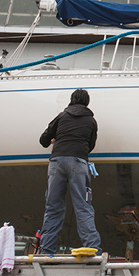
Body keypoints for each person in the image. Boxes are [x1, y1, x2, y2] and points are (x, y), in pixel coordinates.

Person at [38, 88, 101, 253]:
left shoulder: (62, 116)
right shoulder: (91, 121)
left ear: (72, 100)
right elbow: (91, 145)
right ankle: (92, 247)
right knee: (83, 205)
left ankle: (46, 250)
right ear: (87, 102)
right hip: (79, 162)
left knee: (53, 206)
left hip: (57, 162)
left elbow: (43, 140)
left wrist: (54, 140)